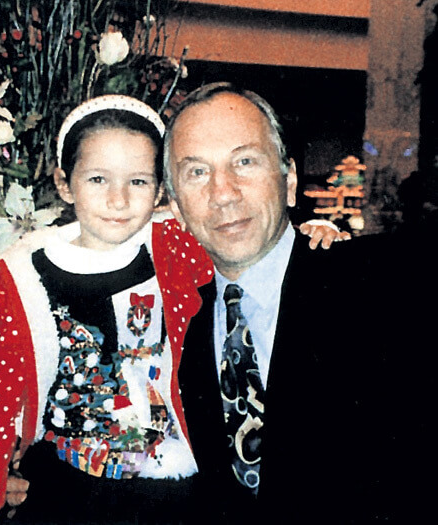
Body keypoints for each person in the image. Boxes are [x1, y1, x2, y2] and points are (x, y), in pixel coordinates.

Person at [0, 94, 343, 525]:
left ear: (160, 191)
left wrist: (311, 232)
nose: (118, 200)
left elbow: (247, 239)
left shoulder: (175, 247)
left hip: (178, 495)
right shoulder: (12, 285)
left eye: (138, 182)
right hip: (69, 491)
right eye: (98, 179)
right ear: (64, 183)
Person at [163, 82, 432, 524]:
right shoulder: (177, 329)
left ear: (289, 181)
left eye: (244, 161)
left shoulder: (386, 289)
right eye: (196, 172)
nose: (223, 192)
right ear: (175, 207)